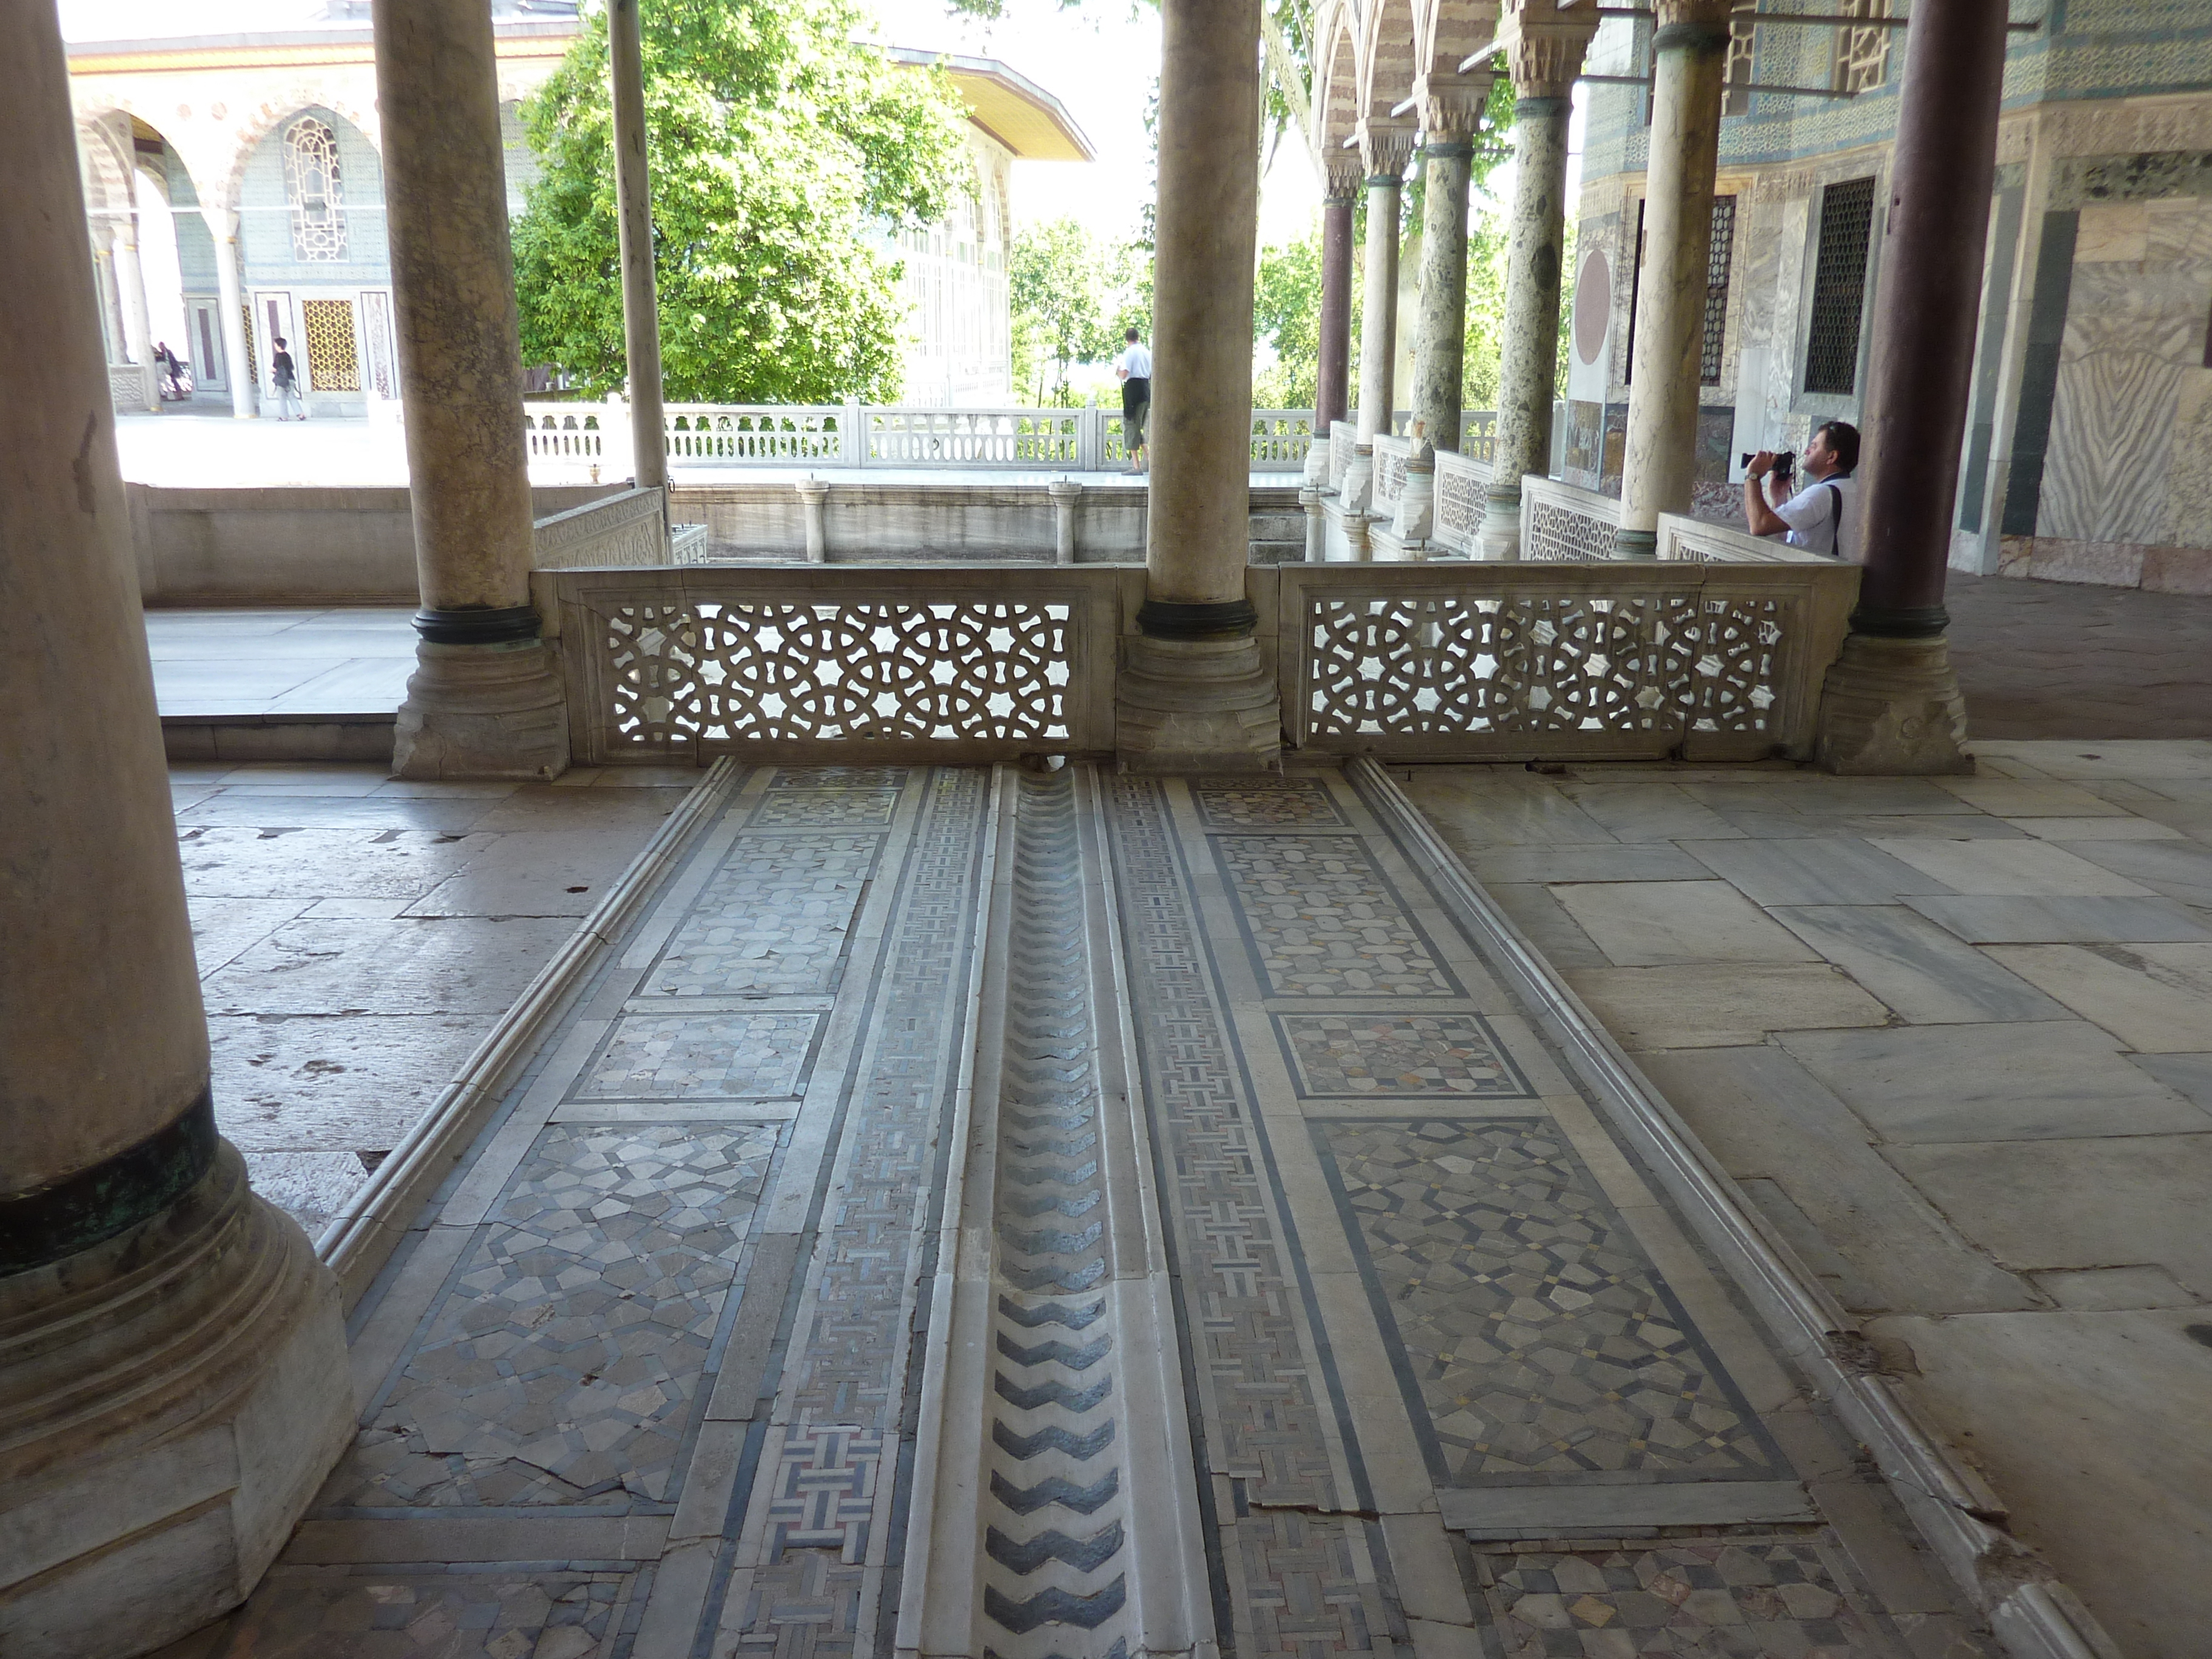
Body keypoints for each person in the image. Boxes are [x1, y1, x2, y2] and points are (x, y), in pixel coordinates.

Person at [1743, 420, 1859, 560]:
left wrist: (1752, 476)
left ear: (1832, 457)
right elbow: (1788, 538)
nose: (1806, 451)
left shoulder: (1821, 494)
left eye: (1814, 446)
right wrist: (1779, 498)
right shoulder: (1851, 489)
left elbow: (1759, 526)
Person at [1114, 326, 1152, 475]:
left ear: (1127, 339)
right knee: (1137, 427)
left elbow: (1124, 374)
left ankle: (1136, 467)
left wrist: (1117, 368)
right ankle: (1151, 459)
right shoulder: (1147, 352)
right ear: (1138, 337)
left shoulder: (1129, 353)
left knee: (1131, 426)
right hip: (1145, 391)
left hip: (1133, 391)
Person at [270, 335, 305, 420]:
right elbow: (291, 367)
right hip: (291, 379)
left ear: (279, 345)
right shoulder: (288, 356)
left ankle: (284, 416)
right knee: (292, 396)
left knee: (282, 398)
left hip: (282, 380)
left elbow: (276, 367)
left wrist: (272, 370)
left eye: (275, 345)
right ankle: (300, 414)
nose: (275, 346)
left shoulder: (279, 356)